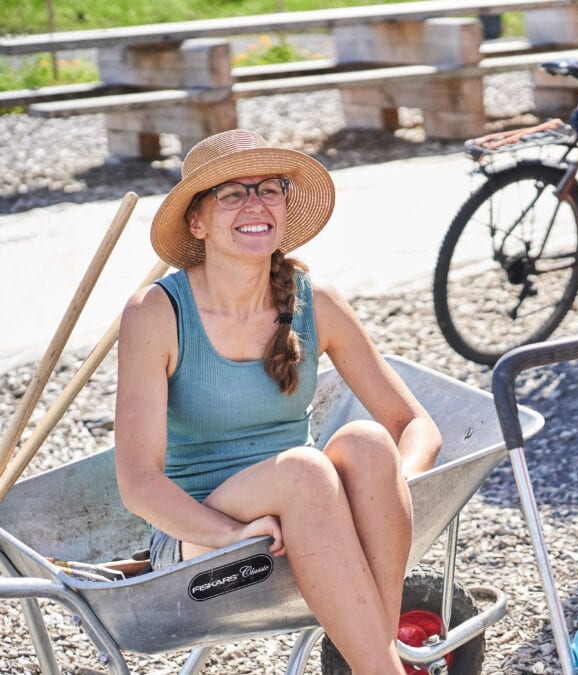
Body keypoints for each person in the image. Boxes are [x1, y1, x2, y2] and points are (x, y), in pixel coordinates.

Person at [114, 129, 442, 674]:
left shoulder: (318, 303)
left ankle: (374, 658)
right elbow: (138, 482)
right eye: (231, 193)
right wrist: (230, 533)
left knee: (365, 442)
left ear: (285, 207)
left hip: (312, 521)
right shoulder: (157, 312)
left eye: (269, 188)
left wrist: (384, 494)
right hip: (200, 542)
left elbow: (415, 425)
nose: (255, 204)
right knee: (305, 470)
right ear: (197, 222)